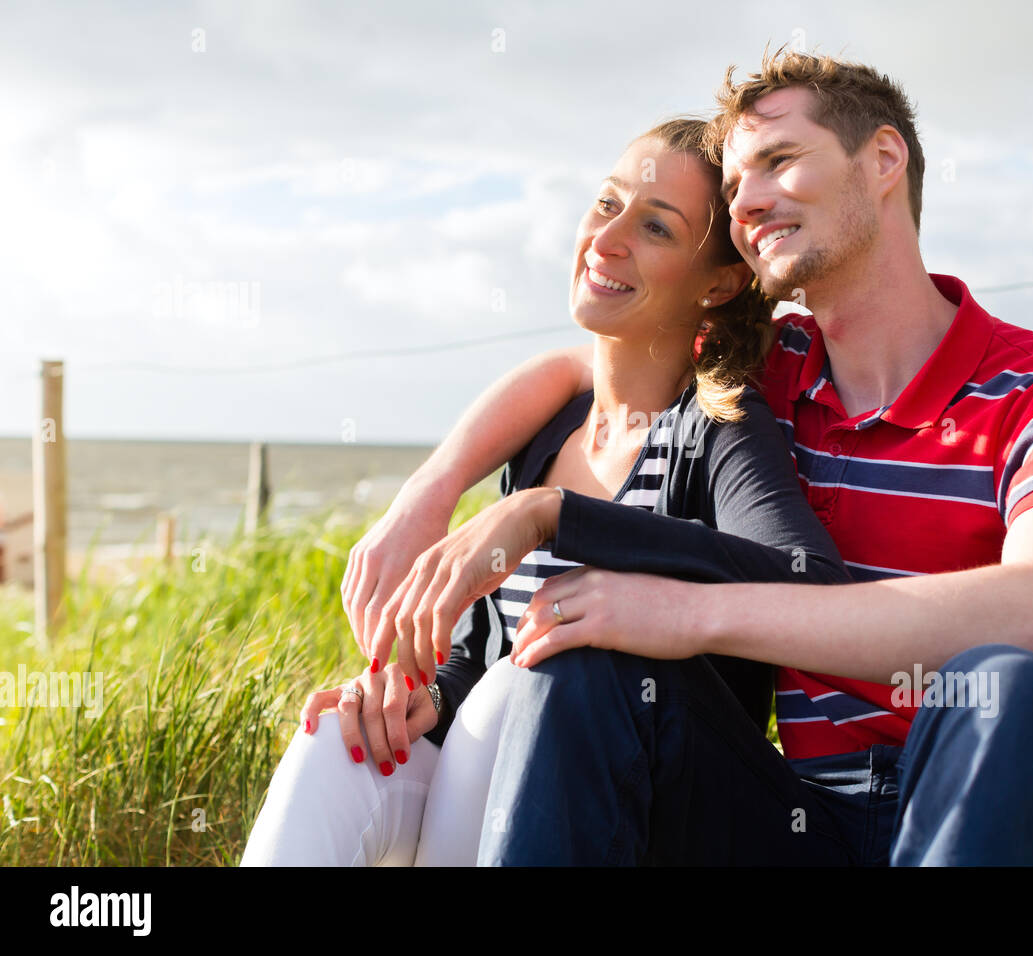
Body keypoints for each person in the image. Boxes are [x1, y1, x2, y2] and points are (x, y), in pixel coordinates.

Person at [350, 48, 1033, 866]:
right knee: (591, 658)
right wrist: (432, 494)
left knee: (1014, 688)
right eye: (736, 186)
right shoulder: (762, 376)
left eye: (779, 160)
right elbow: (581, 368)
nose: (748, 203)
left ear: (883, 159)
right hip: (809, 820)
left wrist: (691, 613)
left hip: (1011, 815)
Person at [239, 116, 850, 866]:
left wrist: (563, 519)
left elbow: (811, 582)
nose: (608, 238)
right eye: (607, 203)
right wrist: (423, 700)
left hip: (631, 824)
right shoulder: (550, 426)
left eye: (656, 227)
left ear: (718, 283)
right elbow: (476, 658)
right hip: (483, 795)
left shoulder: (718, 427)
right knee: (337, 743)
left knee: (530, 677)